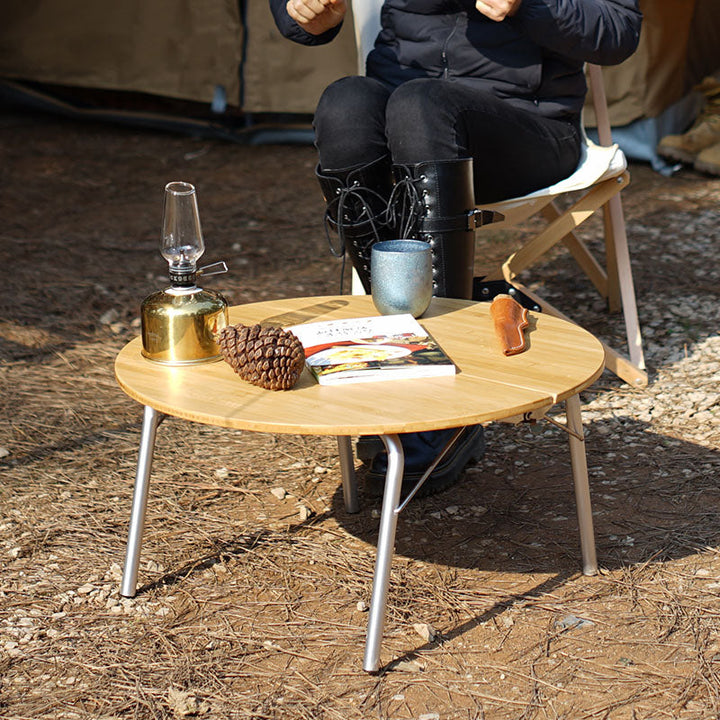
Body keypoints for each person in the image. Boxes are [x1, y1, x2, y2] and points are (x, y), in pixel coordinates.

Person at [270, 0, 642, 496]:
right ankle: (391, 361)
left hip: (525, 127)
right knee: (345, 104)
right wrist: (304, 12)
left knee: (421, 104)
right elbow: (299, 13)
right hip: (400, 112)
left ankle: (446, 410)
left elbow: (617, 31)